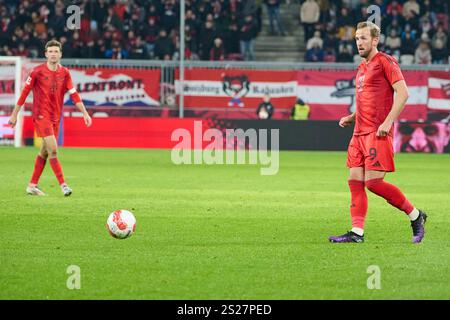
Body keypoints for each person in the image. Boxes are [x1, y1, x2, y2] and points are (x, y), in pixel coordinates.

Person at [329, 22, 427, 244]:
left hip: (377, 132)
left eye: (363, 38)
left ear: (375, 40)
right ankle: (357, 233)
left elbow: (403, 93)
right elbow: (367, 100)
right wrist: (352, 116)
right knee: (354, 181)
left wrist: (388, 122)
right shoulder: (362, 67)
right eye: (356, 38)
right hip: (359, 133)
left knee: (373, 184)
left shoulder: (385, 61)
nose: (359, 43)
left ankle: (415, 215)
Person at [8, 40, 92, 196]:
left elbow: (74, 95)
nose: (53, 54)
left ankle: (32, 185)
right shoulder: (36, 72)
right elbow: (24, 93)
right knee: (53, 149)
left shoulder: (65, 73)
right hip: (41, 116)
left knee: (45, 152)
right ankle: (63, 185)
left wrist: (85, 113)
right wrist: (14, 114)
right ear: (45, 54)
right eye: (50, 51)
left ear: (60, 54)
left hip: (55, 117)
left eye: (56, 51)